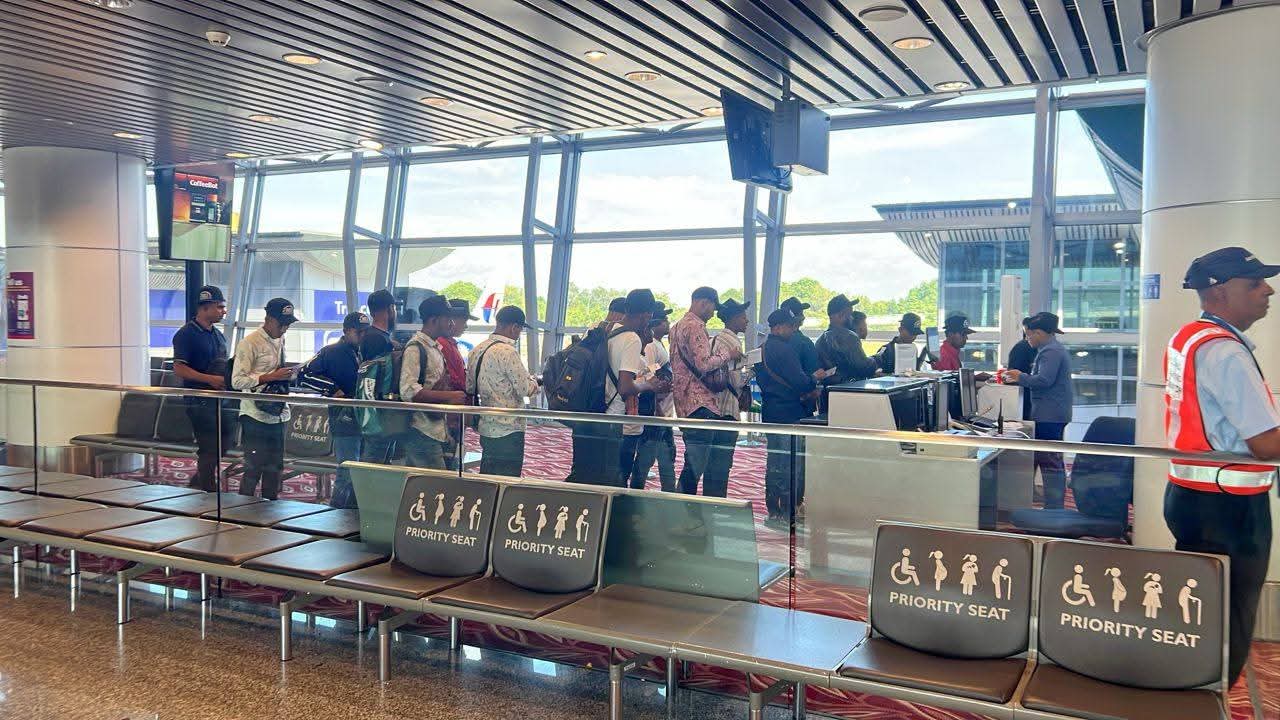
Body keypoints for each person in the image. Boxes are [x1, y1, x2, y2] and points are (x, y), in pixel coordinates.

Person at [1163, 246, 1280, 686]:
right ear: (1219, 292)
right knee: (1228, 625)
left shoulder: (1188, 337)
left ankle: (1190, 693)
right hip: (1230, 507)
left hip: (1191, 496)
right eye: (1255, 283)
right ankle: (1209, 700)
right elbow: (1265, 443)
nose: (1268, 290)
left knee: (1198, 616)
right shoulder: (1226, 352)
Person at [670, 287, 742, 497]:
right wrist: (727, 354)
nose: (712, 314)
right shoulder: (696, 326)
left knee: (693, 463)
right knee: (695, 466)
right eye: (712, 308)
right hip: (701, 403)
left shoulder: (676, 327)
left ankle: (684, 506)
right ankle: (684, 508)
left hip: (683, 402)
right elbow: (703, 364)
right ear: (704, 303)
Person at [589, 288, 663, 487]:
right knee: (618, 479)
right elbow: (625, 387)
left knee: (595, 476)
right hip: (617, 420)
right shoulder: (631, 339)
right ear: (646, 314)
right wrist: (647, 385)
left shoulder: (603, 328)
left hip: (594, 412)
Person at [1004, 312, 1074, 509]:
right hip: (1052, 412)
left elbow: (1044, 380)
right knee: (1049, 459)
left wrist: (1020, 376)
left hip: (1049, 414)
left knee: (1050, 462)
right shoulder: (1052, 349)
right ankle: (1053, 505)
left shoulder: (1050, 352)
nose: (1027, 339)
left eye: (1029, 334)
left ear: (1039, 333)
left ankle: (1054, 507)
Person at [232, 297, 299, 500]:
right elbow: (237, 381)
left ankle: (271, 507)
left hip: (278, 413)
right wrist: (270, 377)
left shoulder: (280, 340)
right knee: (253, 467)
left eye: (288, 324)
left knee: (275, 468)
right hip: (255, 415)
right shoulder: (249, 343)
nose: (285, 328)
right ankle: (242, 508)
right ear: (268, 319)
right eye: (282, 324)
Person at [301, 311, 369, 508]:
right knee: (347, 469)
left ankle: (351, 510)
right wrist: (332, 389)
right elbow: (304, 375)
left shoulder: (364, 351)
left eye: (365, 332)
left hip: (364, 417)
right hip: (344, 418)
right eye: (358, 332)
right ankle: (338, 510)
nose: (363, 336)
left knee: (359, 469)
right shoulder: (331, 352)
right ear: (346, 331)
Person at [757, 308, 817, 526]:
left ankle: (773, 510)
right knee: (791, 464)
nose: (793, 330)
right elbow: (800, 381)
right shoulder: (785, 350)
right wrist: (814, 379)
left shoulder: (761, 349)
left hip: (770, 411)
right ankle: (788, 511)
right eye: (791, 326)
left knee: (774, 463)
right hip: (790, 413)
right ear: (779, 327)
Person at [171, 285, 232, 491]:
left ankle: (199, 480)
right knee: (208, 445)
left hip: (219, 399)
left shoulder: (218, 335)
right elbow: (179, 368)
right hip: (198, 399)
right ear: (205, 307)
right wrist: (209, 379)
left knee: (225, 441)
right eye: (219, 307)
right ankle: (207, 487)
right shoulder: (186, 334)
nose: (224, 311)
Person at [467, 306, 539, 477]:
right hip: (509, 428)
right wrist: (536, 382)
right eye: (520, 329)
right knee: (507, 480)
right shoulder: (508, 352)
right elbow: (524, 389)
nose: (519, 334)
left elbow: (469, 387)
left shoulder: (477, 350)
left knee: (489, 477)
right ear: (514, 327)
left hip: (486, 425)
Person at [400, 295, 468, 469]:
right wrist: (449, 396)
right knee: (435, 481)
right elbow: (408, 391)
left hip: (434, 428)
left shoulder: (434, 347)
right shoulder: (416, 348)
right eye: (447, 319)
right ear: (434, 320)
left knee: (425, 481)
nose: (451, 323)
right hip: (421, 430)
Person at [626, 304, 678, 490]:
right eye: (664, 320)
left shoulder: (657, 344)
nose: (668, 323)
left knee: (665, 456)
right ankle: (637, 494)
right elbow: (647, 376)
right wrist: (658, 410)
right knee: (647, 457)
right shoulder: (650, 346)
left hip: (661, 412)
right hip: (654, 412)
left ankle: (668, 494)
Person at [709, 300, 753, 483]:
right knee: (722, 462)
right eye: (743, 317)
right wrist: (750, 374)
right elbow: (735, 380)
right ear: (733, 318)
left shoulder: (715, 339)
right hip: (728, 406)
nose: (747, 321)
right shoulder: (732, 342)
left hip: (714, 405)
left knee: (712, 462)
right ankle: (717, 498)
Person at [360, 288, 402, 465]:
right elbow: (375, 376)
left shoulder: (378, 337)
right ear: (390, 309)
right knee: (374, 462)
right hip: (378, 411)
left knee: (381, 461)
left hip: (379, 409)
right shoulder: (376, 339)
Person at [437, 298, 477, 470]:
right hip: (450, 412)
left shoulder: (449, 344)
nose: (465, 326)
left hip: (454, 412)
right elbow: (451, 378)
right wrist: (468, 385)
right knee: (449, 457)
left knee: (453, 455)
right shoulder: (443, 344)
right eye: (464, 320)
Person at [816, 295, 879, 391]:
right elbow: (863, 367)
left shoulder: (820, 341)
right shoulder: (849, 337)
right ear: (841, 315)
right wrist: (875, 360)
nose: (852, 318)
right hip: (850, 391)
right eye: (850, 315)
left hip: (828, 393)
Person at [1007, 322, 1036, 418]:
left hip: (1031, 399)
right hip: (1024, 398)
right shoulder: (1022, 348)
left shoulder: (1043, 349)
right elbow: (1012, 374)